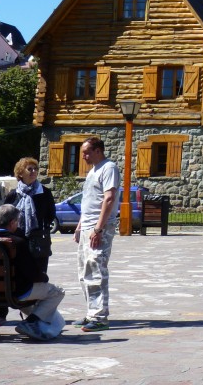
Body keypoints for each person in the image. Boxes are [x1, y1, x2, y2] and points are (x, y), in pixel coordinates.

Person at [0, 156, 57, 328]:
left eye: (35, 169)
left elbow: (50, 215)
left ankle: (32, 315)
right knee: (8, 274)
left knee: (36, 277)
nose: (34, 172)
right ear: (20, 173)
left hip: (37, 241)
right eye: (30, 169)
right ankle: (0, 314)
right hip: (16, 240)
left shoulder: (44, 192)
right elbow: (4, 216)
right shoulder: (14, 194)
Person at [0, 204, 66, 340]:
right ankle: (31, 322)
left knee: (34, 301)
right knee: (57, 292)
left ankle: (45, 325)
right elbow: (33, 274)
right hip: (16, 292)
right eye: (18, 221)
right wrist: (44, 277)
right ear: (12, 222)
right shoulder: (16, 242)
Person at [74, 136, 121, 332]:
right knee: (84, 272)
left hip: (99, 227)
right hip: (87, 226)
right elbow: (88, 201)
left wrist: (98, 228)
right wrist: (79, 226)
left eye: (86, 152)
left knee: (96, 270)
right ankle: (91, 312)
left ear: (98, 151)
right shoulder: (92, 171)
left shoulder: (109, 168)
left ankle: (100, 317)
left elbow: (109, 199)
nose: (83, 156)